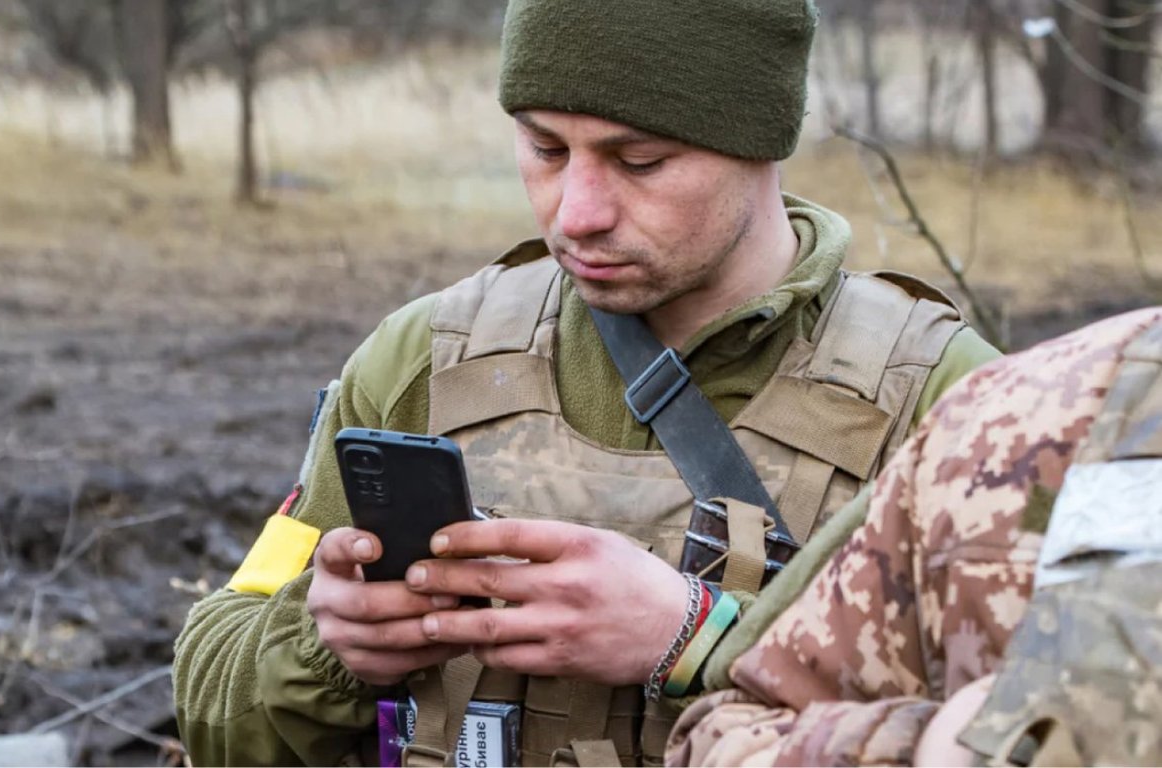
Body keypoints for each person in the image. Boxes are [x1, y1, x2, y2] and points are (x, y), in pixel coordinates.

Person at [172, 0, 1000, 764]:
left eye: (638, 159)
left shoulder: (951, 402)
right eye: (545, 149)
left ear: (760, 139)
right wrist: (326, 645)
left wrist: (698, 638)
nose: (576, 213)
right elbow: (213, 704)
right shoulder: (422, 358)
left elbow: (1039, 731)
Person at [662, 308, 1162, 767]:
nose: (583, 223)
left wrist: (697, 631)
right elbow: (742, 727)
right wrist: (928, 746)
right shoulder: (1023, 416)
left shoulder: (943, 365)